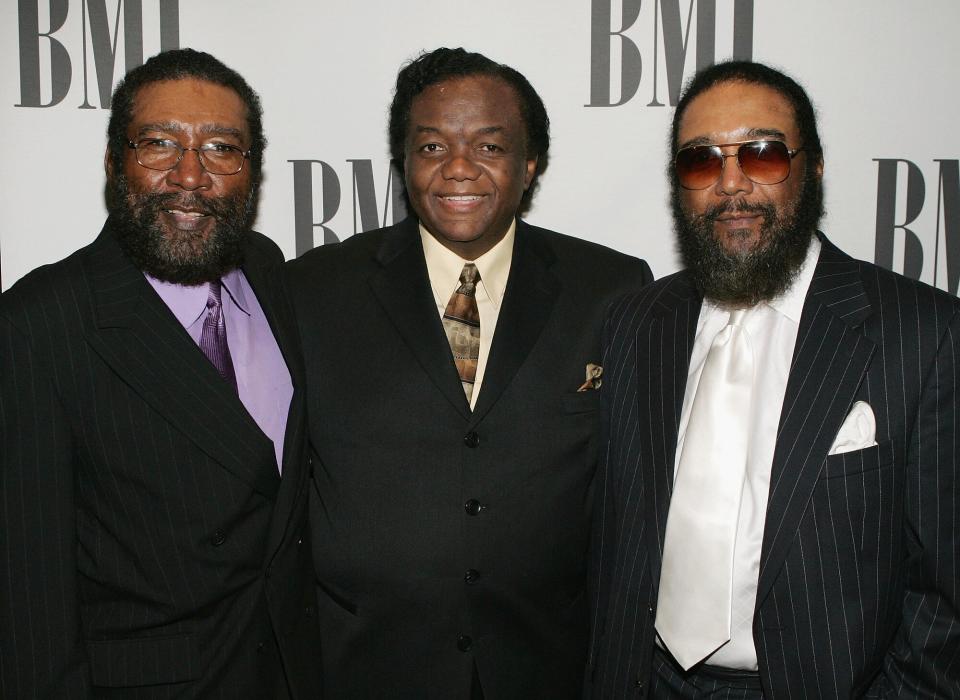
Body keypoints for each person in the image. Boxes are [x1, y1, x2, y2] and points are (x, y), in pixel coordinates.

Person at [285, 47, 652, 699]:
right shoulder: (315, 290)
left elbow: (634, 493)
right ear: (403, 162)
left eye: (488, 147)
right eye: (431, 147)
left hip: (547, 668)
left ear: (530, 162)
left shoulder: (611, 290)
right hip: (364, 670)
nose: (458, 169)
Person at [588, 60, 960, 698]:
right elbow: (613, 537)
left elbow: (944, 592)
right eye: (701, 161)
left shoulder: (921, 333)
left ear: (812, 167)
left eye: (761, 155)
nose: (731, 184)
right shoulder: (636, 322)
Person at [0, 49, 320, 699]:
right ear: (115, 163)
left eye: (222, 148)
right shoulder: (41, 324)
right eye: (159, 143)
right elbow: (28, 606)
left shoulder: (268, 270)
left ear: (251, 173)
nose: (190, 174)